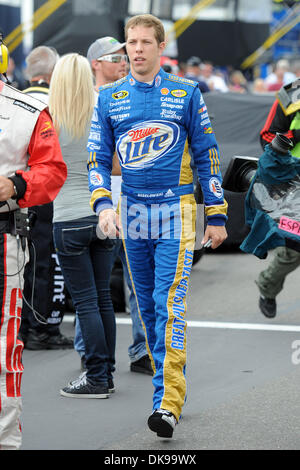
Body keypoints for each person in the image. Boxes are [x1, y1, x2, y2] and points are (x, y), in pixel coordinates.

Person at [87, 14, 228, 438]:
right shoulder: (109, 97)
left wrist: (217, 213)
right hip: (130, 212)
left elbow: (208, 154)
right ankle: (166, 384)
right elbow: (95, 158)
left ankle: (167, 403)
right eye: (132, 42)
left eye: (146, 42)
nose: (138, 49)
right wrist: (103, 206)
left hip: (177, 209)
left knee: (169, 305)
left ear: (160, 47)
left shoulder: (185, 92)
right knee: (146, 308)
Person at [0, 38, 67, 450]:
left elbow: (53, 170)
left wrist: (16, 183)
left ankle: (6, 439)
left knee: (5, 345)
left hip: (4, 237)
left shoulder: (28, 111)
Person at [77, 35, 152, 375]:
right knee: (93, 283)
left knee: (140, 279)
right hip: (99, 201)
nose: (123, 61)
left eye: (125, 55)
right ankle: (89, 353)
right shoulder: (85, 102)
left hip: (133, 200)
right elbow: (94, 158)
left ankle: (141, 350)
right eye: (114, 56)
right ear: (95, 63)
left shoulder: (132, 97)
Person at [48, 53, 117, 399]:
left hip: (69, 217)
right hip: (104, 213)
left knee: (87, 302)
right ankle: (108, 373)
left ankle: (96, 377)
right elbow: (117, 166)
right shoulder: (102, 112)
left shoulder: (49, 118)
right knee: (102, 298)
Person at [19, 46, 73, 350]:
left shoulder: (15, 99)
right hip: (48, 194)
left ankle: (23, 328)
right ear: (54, 73)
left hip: (17, 192)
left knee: (21, 264)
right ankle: (43, 329)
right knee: (47, 263)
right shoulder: (55, 103)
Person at [256, 92, 300, 318]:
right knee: (291, 252)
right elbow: (267, 136)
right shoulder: (292, 95)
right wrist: (296, 135)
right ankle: (267, 287)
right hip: (293, 185)